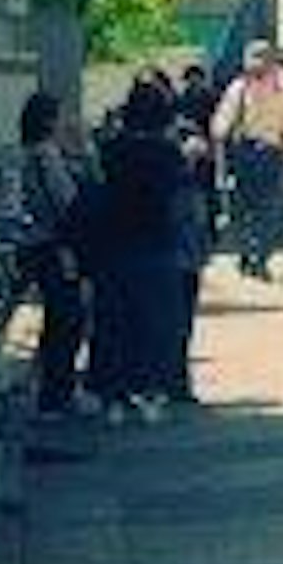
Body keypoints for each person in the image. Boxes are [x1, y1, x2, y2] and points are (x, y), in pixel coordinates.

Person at [83, 71, 186, 420]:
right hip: (158, 244)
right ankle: (151, 392)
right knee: (156, 323)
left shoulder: (112, 151)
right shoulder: (169, 154)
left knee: (114, 323)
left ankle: (114, 393)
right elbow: (178, 200)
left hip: (115, 245)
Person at [9, 83, 91, 419]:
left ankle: (53, 389)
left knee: (60, 317)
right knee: (66, 318)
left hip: (35, 242)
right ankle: (56, 393)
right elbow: (66, 201)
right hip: (55, 244)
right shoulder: (47, 155)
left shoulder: (26, 154)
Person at [213, 38, 283, 275]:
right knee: (247, 207)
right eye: (255, 58)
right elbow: (221, 122)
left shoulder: (281, 85)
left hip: (269, 153)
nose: (258, 64)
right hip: (246, 152)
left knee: (266, 207)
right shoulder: (240, 86)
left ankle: (259, 255)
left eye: (262, 58)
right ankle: (249, 253)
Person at [158, 62, 219, 403]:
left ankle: (171, 381)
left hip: (167, 246)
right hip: (173, 246)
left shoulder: (119, 146)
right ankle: (172, 381)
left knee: (172, 318)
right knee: (175, 317)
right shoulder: (181, 142)